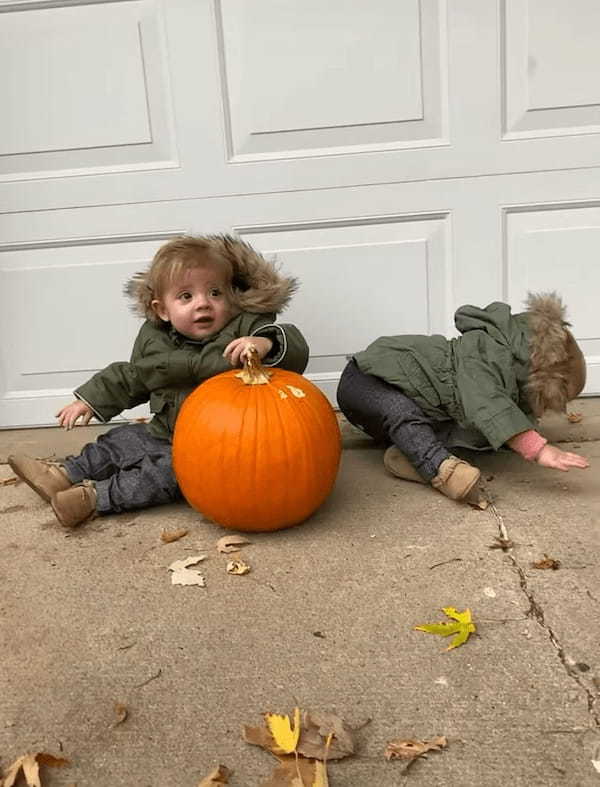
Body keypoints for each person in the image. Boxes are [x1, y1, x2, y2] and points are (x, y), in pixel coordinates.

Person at [9, 235, 309, 527]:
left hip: (217, 448)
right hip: (164, 429)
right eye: (186, 296)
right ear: (162, 310)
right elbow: (134, 376)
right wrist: (90, 399)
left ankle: (93, 499)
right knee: (119, 441)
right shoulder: (157, 341)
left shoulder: (246, 328)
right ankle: (63, 475)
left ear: (232, 297)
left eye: (215, 293)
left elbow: (293, 348)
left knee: (162, 474)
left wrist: (265, 343)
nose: (203, 304)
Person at [337, 293, 589, 503]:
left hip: (414, 405)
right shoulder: (483, 355)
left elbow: (495, 418)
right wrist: (538, 449)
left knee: (469, 432)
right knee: (400, 410)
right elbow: (488, 402)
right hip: (365, 380)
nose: (543, 410)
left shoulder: (508, 374)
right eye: (546, 400)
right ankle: (440, 470)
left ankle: (410, 454)